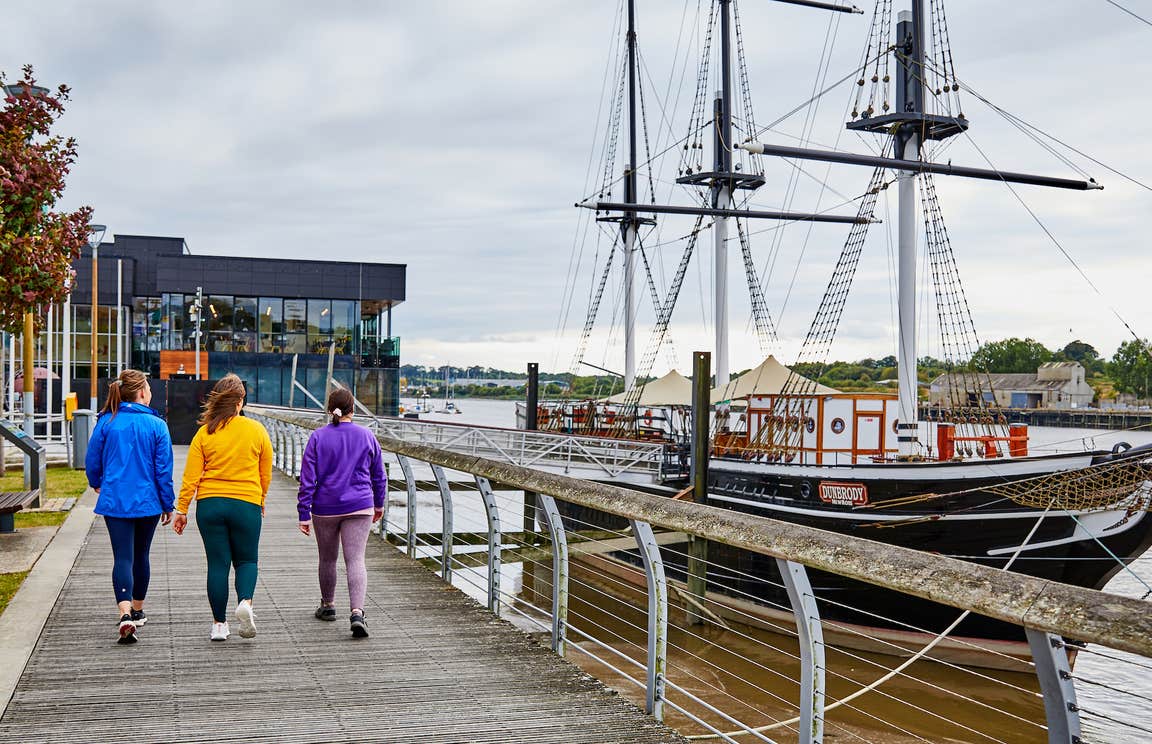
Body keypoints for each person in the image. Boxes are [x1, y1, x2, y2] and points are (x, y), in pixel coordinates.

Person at [172, 374, 272, 641]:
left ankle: (219, 625)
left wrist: (181, 510)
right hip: (246, 503)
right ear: (240, 401)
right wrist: (260, 499)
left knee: (217, 564)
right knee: (247, 560)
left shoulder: (205, 432)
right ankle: (245, 603)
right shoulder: (257, 430)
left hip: (210, 505)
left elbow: (191, 476)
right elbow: (265, 473)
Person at [85, 369, 175, 645]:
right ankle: (137, 610)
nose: (151, 392)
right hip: (148, 503)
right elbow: (163, 470)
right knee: (142, 555)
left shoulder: (106, 421)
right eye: (148, 388)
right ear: (141, 393)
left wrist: (97, 481)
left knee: (122, 557)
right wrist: (168, 503)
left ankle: (124, 614)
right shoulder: (157, 425)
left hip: (115, 501)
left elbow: (92, 458)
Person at [297, 387, 386, 638]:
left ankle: (328, 606)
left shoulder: (318, 437)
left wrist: (304, 512)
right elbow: (379, 476)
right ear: (353, 409)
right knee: (356, 559)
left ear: (329, 409)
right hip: (360, 505)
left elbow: (307, 479)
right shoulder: (367, 435)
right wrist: (378, 504)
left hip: (325, 507)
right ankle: (357, 613)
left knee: (327, 559)